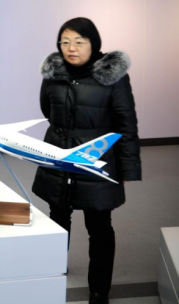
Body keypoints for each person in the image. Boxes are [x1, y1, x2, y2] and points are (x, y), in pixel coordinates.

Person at [32, 17, 141, 304]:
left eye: (79, 42)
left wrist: (127, 167)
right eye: (65, 42)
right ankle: (55, 270)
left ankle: (99, 291)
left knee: (99, 225)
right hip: (59, 157)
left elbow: (126, 124)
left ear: (94, 44)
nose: (71, 48)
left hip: (96, 160)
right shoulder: (53, 74)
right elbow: (47, 110)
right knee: (57, 219)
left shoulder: (113, 78)